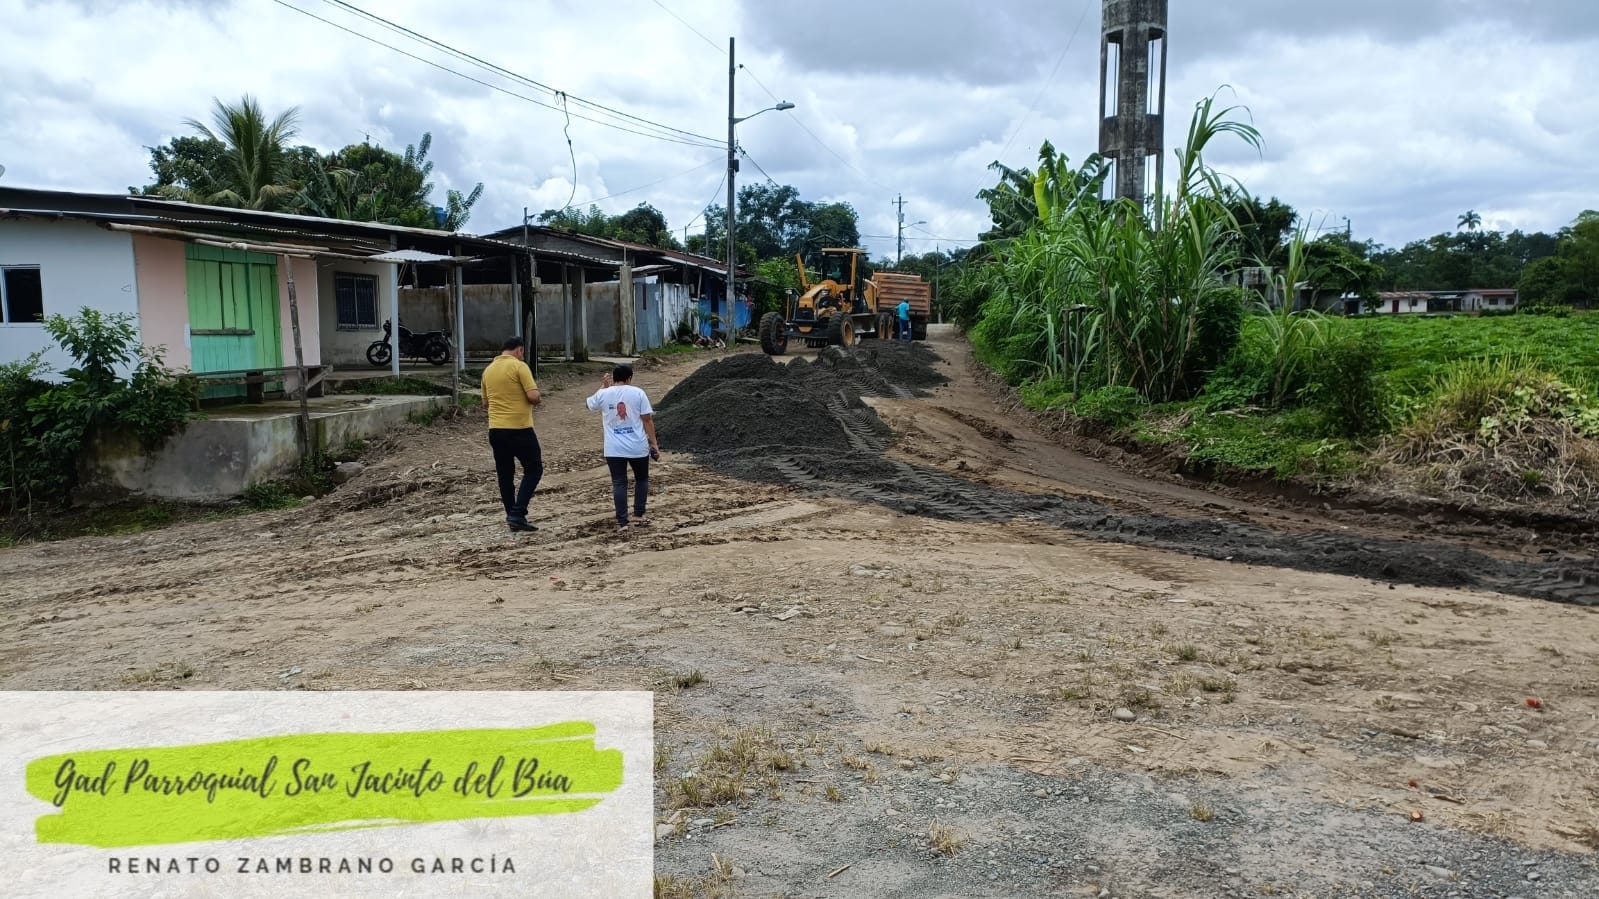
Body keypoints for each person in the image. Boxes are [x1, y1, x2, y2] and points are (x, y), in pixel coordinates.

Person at [585, 364, 660, 533]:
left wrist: (603, 387)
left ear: (614, 377)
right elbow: (647, 419)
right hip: (637, 446)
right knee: (641, 479)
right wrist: (654, 443)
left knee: (619, 483)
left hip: (613, 448)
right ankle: (639, 514)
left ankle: (622, 521)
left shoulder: (604, 393)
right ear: (629, 378)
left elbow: (589, 405)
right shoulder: (638, 393)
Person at [480, 336, 542, 532]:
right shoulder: (519, 367)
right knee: (534, 469)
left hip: (496, 430)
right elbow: (533, 396)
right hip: (520, 428)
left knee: (505, 475)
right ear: (519, 350)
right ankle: (518, 512)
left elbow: (485, 403)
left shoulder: (488, 370)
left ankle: (511, 516)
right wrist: (537, 397)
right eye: (522, 352)